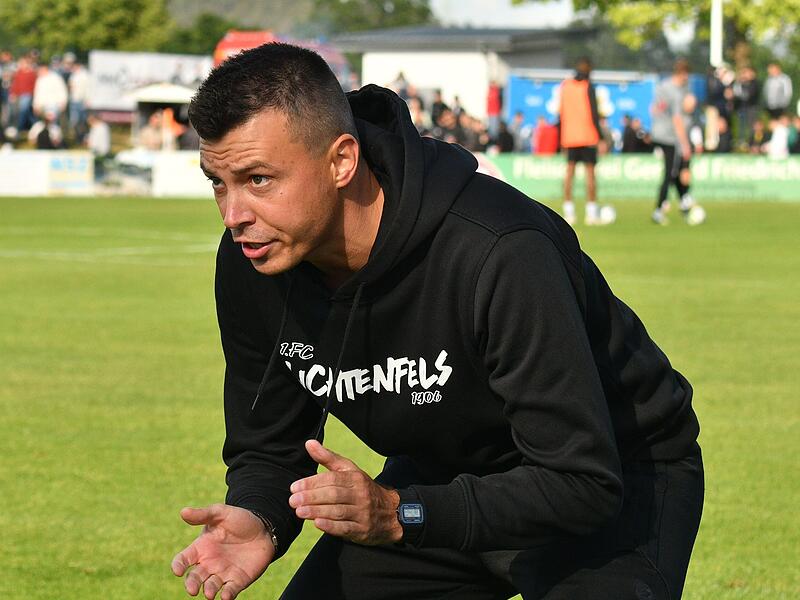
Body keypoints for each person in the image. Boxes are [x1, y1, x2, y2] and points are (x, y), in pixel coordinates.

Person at [171, 43, 703, 600]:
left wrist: (406, 512)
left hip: (610, 479)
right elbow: (269, 442)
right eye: (217, 182)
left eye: (258, 180)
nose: (234, 216)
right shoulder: (253, 261)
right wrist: (260, 513)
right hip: (442, 478)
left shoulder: (499, 250)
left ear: (341, 161)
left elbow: (582, 480)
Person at [558, 56, 605, 226]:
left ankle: (568, 212)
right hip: (587, 135)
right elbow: (594, 114)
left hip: (569, 136)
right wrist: (601, 137)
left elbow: (561, 112)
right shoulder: (588, 87)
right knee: (590, 175)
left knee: (569, 175)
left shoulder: (566, 86)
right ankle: (591, 214)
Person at [650, 59, 696, 225]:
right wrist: (685, 144)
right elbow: (677, 120)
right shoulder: (676, 92)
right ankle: (659, 209)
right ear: (683, 73)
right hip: (670, 136)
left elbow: (653, 109)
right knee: (670, 172)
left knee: (674, 171)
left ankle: (685, 202)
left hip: (658, 133)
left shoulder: (662, 86)